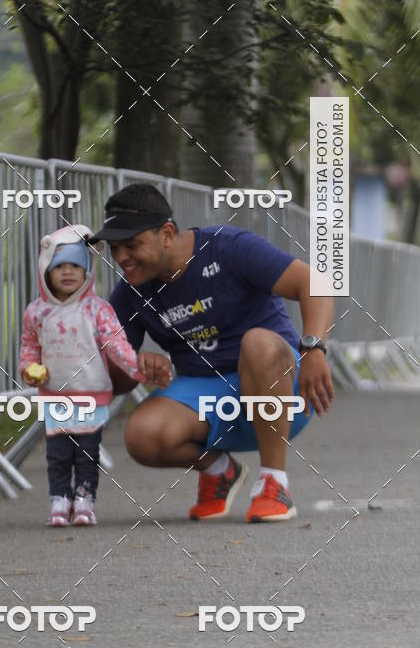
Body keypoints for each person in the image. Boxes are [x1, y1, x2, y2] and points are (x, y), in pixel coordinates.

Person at [89, 184, 335, 523]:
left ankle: (274, 482)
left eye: (132, 245)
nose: (121, 258)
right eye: (114, 249)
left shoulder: (228, 247)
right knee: (140, 435)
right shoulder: (131, 292)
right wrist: (135, 365)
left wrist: (313, 349)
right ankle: (221, 472)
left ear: (167, 234)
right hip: (208, 401)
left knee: (258, 343)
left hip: (280, 392)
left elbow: (314, 282)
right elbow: (113, 383)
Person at [18, 223, 171, 526]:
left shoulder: (98, 309)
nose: (68, 272)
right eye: (60, 266)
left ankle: (85, 499)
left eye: (77, 265)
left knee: (86, 454)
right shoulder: (36, 312)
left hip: (92, 393)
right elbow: (29, 348)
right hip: (54, 395)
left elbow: (118, 345)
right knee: (58, 454)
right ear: (45, 270)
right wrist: (28, 370)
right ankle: (59, 501)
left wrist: (138, 370)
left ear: (88, 270)